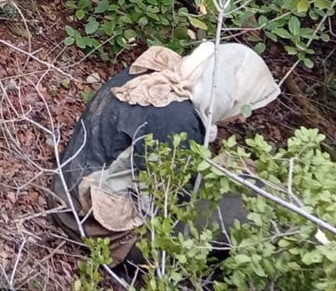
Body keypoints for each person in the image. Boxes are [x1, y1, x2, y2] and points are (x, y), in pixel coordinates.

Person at [50, 42, 280, 265]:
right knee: (247, 211)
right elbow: (170, 203)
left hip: (66, 187)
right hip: (88, 223)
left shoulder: (159, 76)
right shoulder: (178, 118)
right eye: (245, 106)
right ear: (231, 93)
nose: (243, 118)